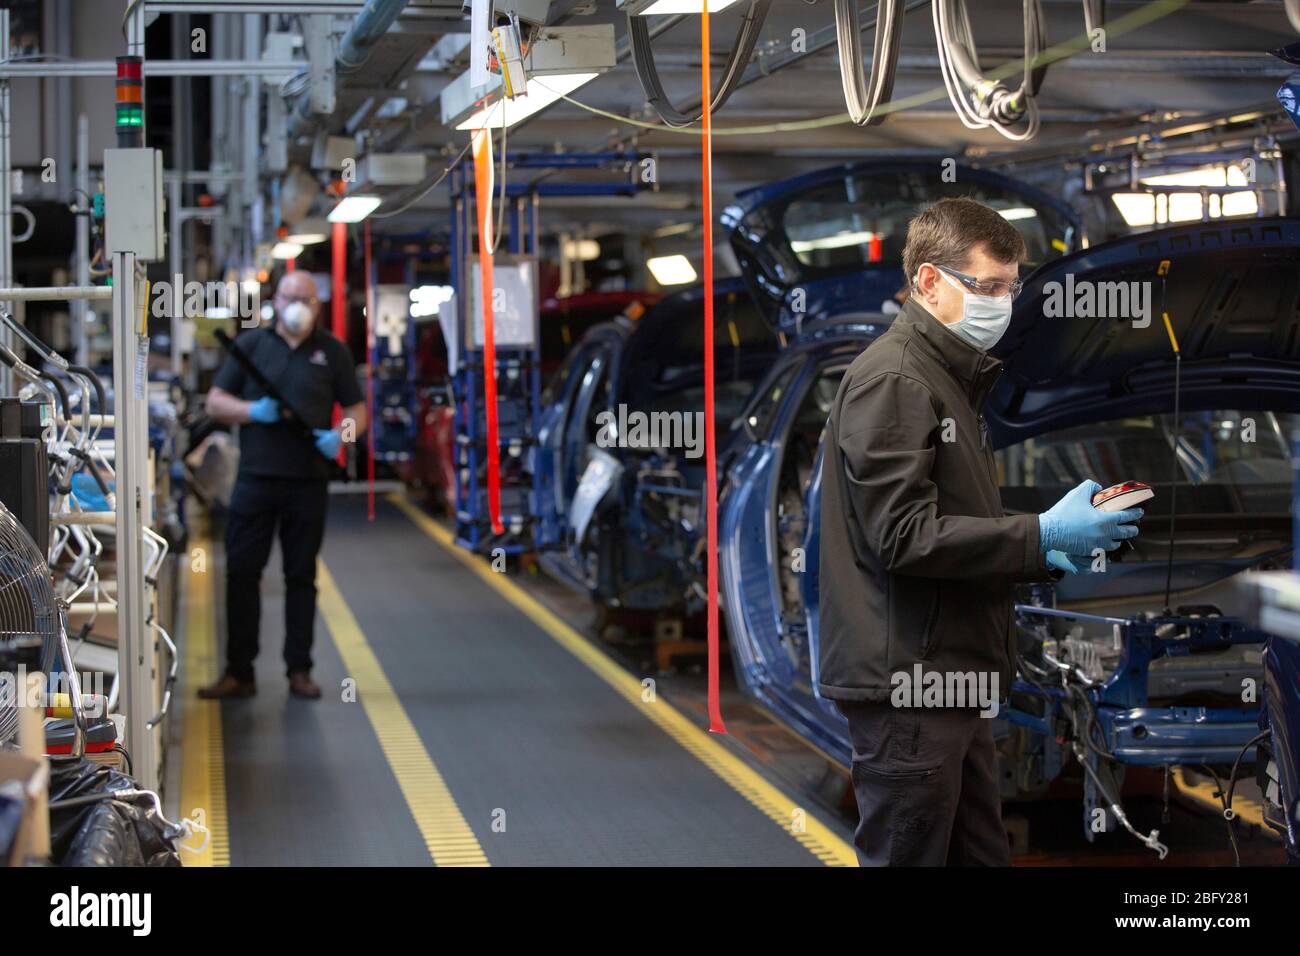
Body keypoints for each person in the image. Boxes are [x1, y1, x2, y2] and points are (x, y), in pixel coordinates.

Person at [817, 197, 1143, 866]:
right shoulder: (896, 379)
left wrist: (1053, 548)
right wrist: (1041, 535)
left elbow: (957, 521)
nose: (1002, 303)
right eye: (987, 287)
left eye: (1009, 288)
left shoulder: (947, 378)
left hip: (948, 678)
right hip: (908, 686)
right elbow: (902, 535)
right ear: (930, 282)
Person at [198, 271, 366, 701]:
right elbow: (215, 402)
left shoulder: (333, 352)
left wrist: (340, 437)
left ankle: (300, 670)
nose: (299, 306)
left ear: (317, 304)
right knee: (241, 574)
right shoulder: (252, 346)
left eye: (307, 299)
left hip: (308, 482)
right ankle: (240, 672)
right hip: (255, 480)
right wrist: (254, 410)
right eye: (292, 297)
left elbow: (357, 411)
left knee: (301, 577)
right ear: (276, 299)